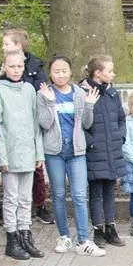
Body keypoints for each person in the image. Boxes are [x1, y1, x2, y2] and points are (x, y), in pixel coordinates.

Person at [0, 49, 48, 260]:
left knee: (26, 198)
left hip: (28, 152)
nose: (16, 70)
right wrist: (2, 157)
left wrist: (38, 153)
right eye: (12, 66)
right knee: (11, 198)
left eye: (19, 66)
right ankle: (12, 237)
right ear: (4, 67)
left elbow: (35, 124)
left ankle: (26, 234)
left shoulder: (28, 90)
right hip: (10, 153)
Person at [40, 57, 96, 254]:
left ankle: (83, 240)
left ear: (70, 72)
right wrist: (49, 102)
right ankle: (63, 236)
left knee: (80, 195)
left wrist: (89, 105)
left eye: (64, 70)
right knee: (58, 194)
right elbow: (45, 124)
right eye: (56, 71)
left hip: (76, 151)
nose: (61, 75)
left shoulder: (79, 93)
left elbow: (87, 124)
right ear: (50, 73)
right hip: (54, 151)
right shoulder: (44, 94)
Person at [83, 56, 127, 248]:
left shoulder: (112, 93)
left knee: (110, 191)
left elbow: (121, 118)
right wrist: (90, 142)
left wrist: (120, 137)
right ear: (98, 73)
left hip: (112, 148)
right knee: (95, 193)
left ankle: (111, 227)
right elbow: (81, 123)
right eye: (110, 71)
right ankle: (98, 229)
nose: (113, 74)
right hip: (95, 150)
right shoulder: (84, 91)